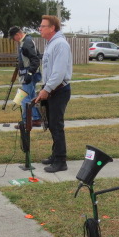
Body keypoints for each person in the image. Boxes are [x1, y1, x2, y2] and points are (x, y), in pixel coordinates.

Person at [35, 15, 72, 173]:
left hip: (59, 90)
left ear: (52, 28)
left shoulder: (60, 44)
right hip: (51, 89)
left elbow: (58, 73)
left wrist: (47, 89)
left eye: (43, 26)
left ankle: (61, 161)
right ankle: (55, 154)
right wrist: (45, 87)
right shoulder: (51, 43)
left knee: (57, 125)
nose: (40, 29)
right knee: (50, 123)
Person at [9, 26, 42, 128]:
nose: (14, 40)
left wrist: (30, 73)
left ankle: (25, 122)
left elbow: (35, 59)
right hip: (30, 73)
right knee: (31, 97)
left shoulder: (26, 43)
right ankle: (36, 119)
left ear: (17, 35)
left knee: (24, 98)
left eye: (13, 38)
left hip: (29, 74)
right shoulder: (27, 41)